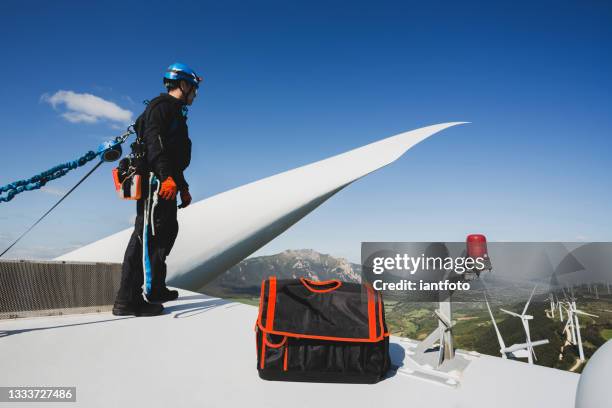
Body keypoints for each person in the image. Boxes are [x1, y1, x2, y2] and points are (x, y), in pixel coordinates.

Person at [113, 62, 202, 316]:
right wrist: (166, 178)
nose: (195, 94)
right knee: (146, 236)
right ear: (183, 85)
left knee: (166, 231)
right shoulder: (162, 107)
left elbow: (172, 155)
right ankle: (127, 299)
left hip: (165, 182)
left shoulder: (174, 111)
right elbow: (155, 144)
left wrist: (181, 186)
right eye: (193, 88)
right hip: (156, 183)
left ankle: (156, 288)